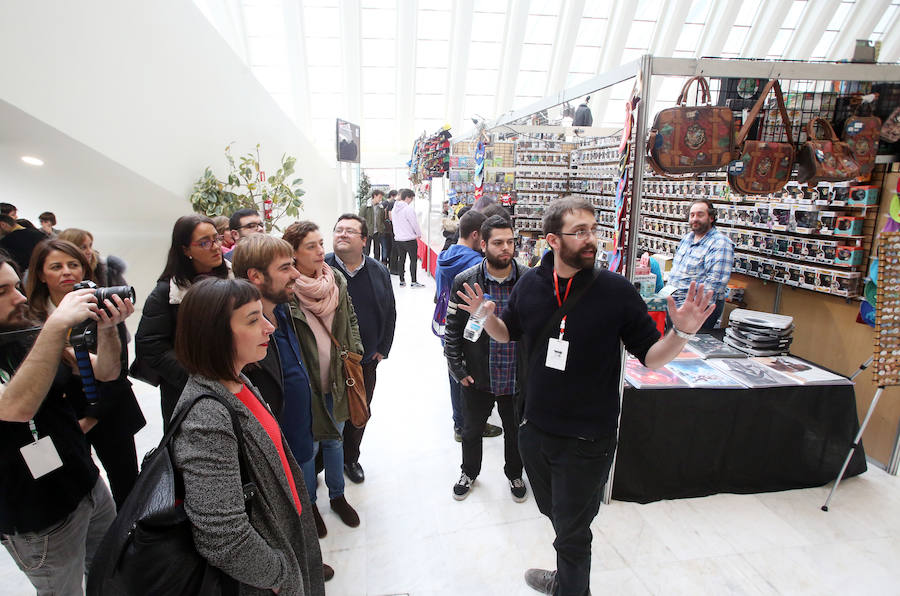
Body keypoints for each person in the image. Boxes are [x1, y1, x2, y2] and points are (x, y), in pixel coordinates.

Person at [456, 196, 715, 595]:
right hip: (535, 430)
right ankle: (566, 577)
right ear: (552, 241)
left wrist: (681, 333)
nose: (591, 239)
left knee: (574, 532)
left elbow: (651, 356)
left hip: (587, 438)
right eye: (579, 232)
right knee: (557, 515)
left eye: (593, 230)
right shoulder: (530, 283)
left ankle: (571, 587)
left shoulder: (616, 291)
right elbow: (507, 333)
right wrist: (485, 317)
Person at [171, 277, 325, 595]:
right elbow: (222, 536)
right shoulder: (206, 419)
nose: (269, 327)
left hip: (286, 538)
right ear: (214, 334)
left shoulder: (238, 379)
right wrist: (280, 575)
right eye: (254, 320)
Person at [0, 251, 133, 594]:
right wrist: (58, 325)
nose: (18, 298)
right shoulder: (42, 333)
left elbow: (105, 371)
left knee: (110, 573)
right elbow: (16, 408)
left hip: (85, 483)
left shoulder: (22, 333)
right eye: (2, 292)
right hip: (37, 516)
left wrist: (107, 329)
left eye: (16, 286)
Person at [232, 234, 335, 582]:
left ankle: (305, 558)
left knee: (301, 506)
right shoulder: (243, 335)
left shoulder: (285, 312)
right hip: (273, 455)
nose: (295, 273)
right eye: (286, 267)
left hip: (299, 440)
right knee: (282, 517)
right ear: (256, 276)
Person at [25, 239, 145, 507]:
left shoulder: (104, 307)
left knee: (127, 485)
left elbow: (116, 374)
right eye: (56, 266)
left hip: (108, 411)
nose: (67, 272)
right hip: (60, 418)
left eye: (73, 265)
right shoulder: (30, 319)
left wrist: (90, 419)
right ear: (41, 274)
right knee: (77, 492)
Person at [283, 221, 362, 537]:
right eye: (311, 246)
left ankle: (337, 495)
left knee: (335, 439)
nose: (320, 251)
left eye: (320, 244)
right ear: (294, 253)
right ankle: (310, 504)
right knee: (308, 447)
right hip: (306, 386)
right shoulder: (287, 291)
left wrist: (354, 351)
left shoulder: (335, 279)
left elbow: (350, 319)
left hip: (337, 378)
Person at [444, 215, 527, 502]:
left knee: (516, 432)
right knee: (471, 430)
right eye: (498, 243)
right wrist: (457, 367)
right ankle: (469, 472)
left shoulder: (528, 280)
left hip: (516, 376)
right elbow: (452, 329)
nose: (506, 248)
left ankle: (515, 473)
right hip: (478, 374)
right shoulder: (465, 281)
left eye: (510, 242)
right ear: (483, 244)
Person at [133, 214, 230, 429]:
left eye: (217, 238)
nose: (215, 247)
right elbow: (150, 344)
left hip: (234, 380)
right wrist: (197, 377)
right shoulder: (166, 293)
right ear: (185, 250)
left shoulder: (233, 277)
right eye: (204, 242)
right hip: (188, 391)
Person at [325, 214, 396, 484]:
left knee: (360, 410)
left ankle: (350, 458)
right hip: (329, 359)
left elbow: (389, 310)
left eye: (350, 231)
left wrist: (382, 347)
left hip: (365, 359)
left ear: (364, 240)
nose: (342, 234)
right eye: (338, 230)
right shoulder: (323, 269)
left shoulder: (378, 270)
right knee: (328, 412)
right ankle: (323, 461)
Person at [433, 209, 501, 442]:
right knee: (470, 379)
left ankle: (460, 423)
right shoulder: (474, 263)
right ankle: (469, 426)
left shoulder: (447, 254)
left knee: (455, 374)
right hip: (470, 329)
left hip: (448, 326)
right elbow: (484, 302)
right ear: (475, 235)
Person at [666, 199, 733, 330]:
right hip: (675, 305)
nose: (695, 219)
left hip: (695, 312)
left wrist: (692, 311)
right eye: (692, 215)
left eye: (700, 215)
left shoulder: (720, 243)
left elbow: (714, 284)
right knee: (673, 348)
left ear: (711, 218)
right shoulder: (687, 238)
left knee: (687, 348)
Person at [58, 228, 128, 288]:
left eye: (90, 246)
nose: (89, 251)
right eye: (83, 247)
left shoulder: (108, 271)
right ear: (68, 249)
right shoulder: (57, 275)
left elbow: (127, 297)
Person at [391, 188, 423, 287]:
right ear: (408, 197)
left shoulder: (394, 209)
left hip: (399, 239)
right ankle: (413, 281)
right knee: (413, 260)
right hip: (409, 239)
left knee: (401, 259)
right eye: (411, 199)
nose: (411, 201)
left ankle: (402, 280)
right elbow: (414, 224)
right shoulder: (408, 209)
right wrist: (418, 234)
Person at [359, 189, 383, 260]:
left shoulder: (380, 207)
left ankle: (377, 265)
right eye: (379, 197)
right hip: (367, 232)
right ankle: (365, 265)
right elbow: (360, 219)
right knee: (366, 251)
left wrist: (381, 228)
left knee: (377, 251)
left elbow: (382, 219)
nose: (380, 199)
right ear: (374, 196)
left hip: (377, 232)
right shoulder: (365, 206)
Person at [382, 190, 397, 269]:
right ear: (392, 196)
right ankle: (385, 263)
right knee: (387, 247)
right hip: (387, 229)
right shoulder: (388, 204)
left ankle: (385, 263)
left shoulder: (384, 203)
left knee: (386, 247)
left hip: (386, 229)